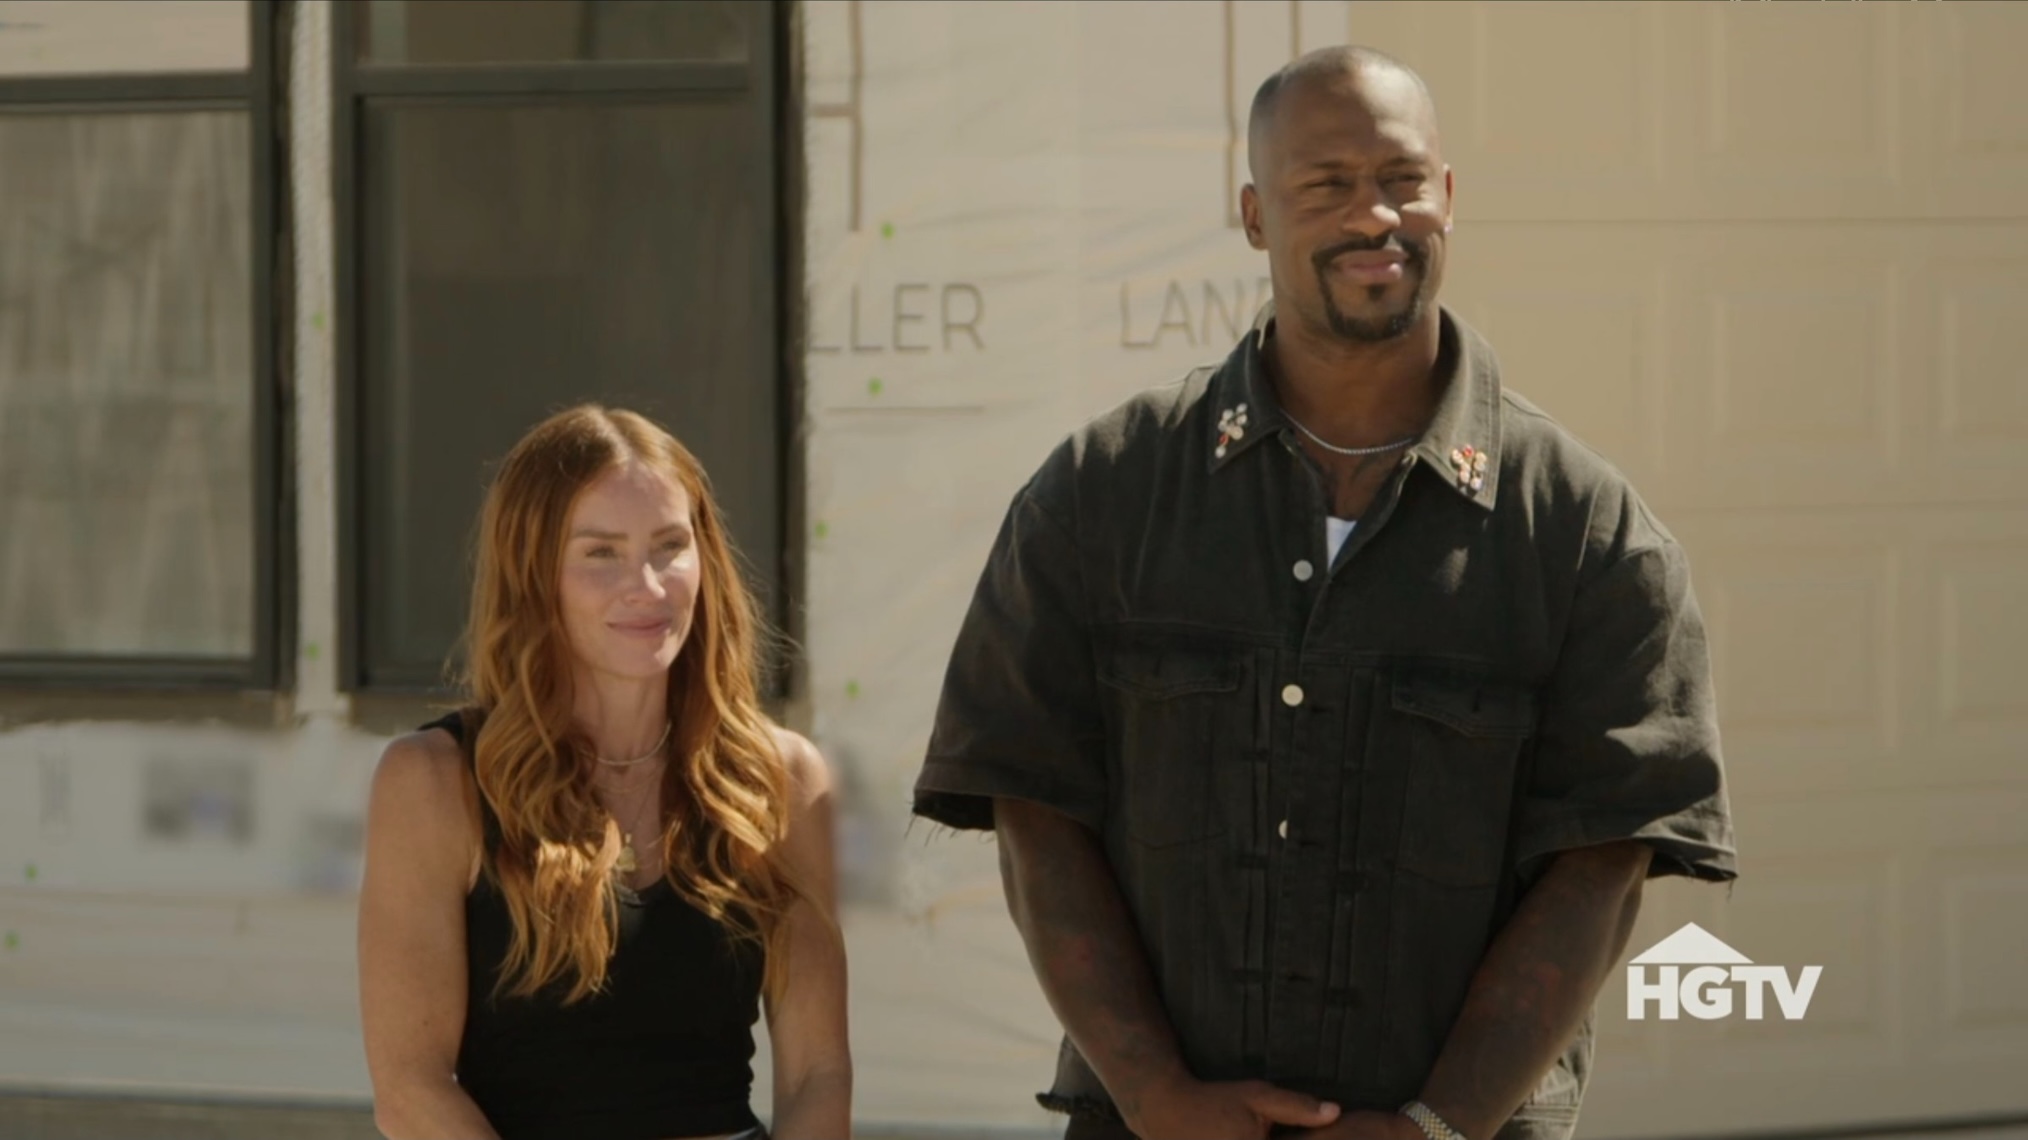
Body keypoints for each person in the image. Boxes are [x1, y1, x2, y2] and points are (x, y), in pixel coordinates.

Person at [911, 45, 1736, 1140]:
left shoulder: (1587, 534)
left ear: (1449, 197)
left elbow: (1602, 868)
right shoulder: (1103, 495)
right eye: (1326, 184)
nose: (1373, 215)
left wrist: (1436, 1126)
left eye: (1401, 179)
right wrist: (1157, 1097)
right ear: (1256, 215)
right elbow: (1036, 817)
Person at [358, 405, 851, 1140]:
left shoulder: (781, 778)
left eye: (670, 546)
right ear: (533, 574)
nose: (646, 586)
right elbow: (410, 1087)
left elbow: (819, 1074)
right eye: (601, 553)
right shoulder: (432, 782)